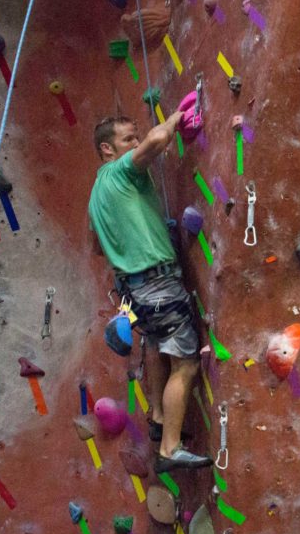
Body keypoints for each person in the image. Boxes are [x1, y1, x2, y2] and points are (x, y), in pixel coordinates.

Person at [88, 114, 213, 473]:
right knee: (185, 362)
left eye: (134, 138)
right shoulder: (119, 172)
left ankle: (159, 416)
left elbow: (97, 245)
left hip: (134, 288)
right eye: (128, 139)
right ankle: (170, 448)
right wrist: (175, 117)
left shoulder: (97, 193)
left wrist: (132, 235)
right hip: (157, 282)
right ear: (107, 149)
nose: (135, 143)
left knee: (159, 345)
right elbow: (158, 142)